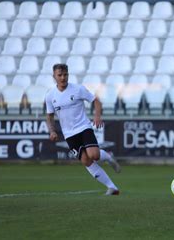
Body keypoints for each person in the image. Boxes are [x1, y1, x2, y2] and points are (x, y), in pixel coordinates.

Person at [45, 63, 121, 195]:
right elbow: (49, 116)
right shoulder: (50, 96)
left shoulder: (78, 89)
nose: (63, 78)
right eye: (60, 75)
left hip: (84, 127)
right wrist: (52, 130)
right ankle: (112, 187)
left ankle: (107, 156)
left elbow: (96, 101)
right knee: (86, 161)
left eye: (65, 74)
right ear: (54, 77)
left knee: (94, 155)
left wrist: (97, 116)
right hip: (69, 134)